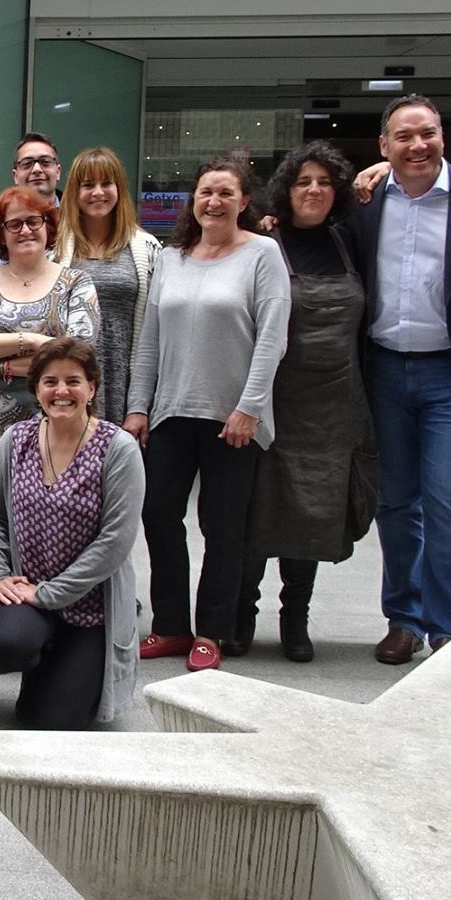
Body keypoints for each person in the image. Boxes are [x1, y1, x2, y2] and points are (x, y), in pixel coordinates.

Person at [346, 94, 451, 666]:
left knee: (449, 503)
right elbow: (301, 212)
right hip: (385, 368)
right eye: (404, 137)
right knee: (396, 501)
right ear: (384, 146)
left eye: (427, 133)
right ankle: (404, 619)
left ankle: (449, 627)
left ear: (443, 135)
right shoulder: (363, 201)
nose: (418, 145)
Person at [124, 155, 290, 674]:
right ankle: (171, 624)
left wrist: (250, 408)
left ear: (244, 201)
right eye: (205, 192)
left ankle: (211, 630)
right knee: (158, 515)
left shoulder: (262, 253)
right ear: (192, 200)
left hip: (232, 419)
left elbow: (272, 338)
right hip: (171, 412)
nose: (213, 202)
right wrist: (138, 406)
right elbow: (149, 340)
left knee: (223, 527)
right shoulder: (172, 258)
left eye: (225, 193)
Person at [234, 143, 377, 662]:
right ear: (286, 190)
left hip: (335, 405)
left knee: (314, 511)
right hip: (276, 398)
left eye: (323, 182)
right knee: (259, 510)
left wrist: (383, 164)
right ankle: (241, 616)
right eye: (302, 182)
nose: (313, 190)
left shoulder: (351, 241)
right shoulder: (264, 243)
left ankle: (296, 617)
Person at [0, 338, 144, 727]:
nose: (61, 391)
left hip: (90, 608)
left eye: (73, 381)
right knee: (5, 645)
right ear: (37, 390)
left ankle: (67, 664)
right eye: (50, 382)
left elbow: (115, 542)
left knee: (55, 722)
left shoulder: (118, 450)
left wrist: (49, 594)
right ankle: (40, 651)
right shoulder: (15, 440)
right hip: (27, 594)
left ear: (92, 388)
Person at [0, 187, 99, 559]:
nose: (26, 230)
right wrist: (31, 340)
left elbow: (78, 353)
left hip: (52, 424)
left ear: (49, 226)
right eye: (14, 224)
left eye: (34, 221)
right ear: (1, 233)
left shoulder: (76, 283)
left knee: (40, 531)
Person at [53, 145, 160, 427]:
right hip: (69, 384)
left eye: (106, 183)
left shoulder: (147, 248)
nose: (98, 193)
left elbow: (155, 331)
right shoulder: (54, 251)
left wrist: (140, 404)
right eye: (88, 185)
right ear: (75, 192)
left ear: (119, 188)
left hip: (125, 382)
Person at [11, 132, 63, 198]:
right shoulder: (3, 204)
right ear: (15, 176)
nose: (37, 169)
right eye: (27, 163)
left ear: (58, 172)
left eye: (45, 162)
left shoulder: (74, 205)